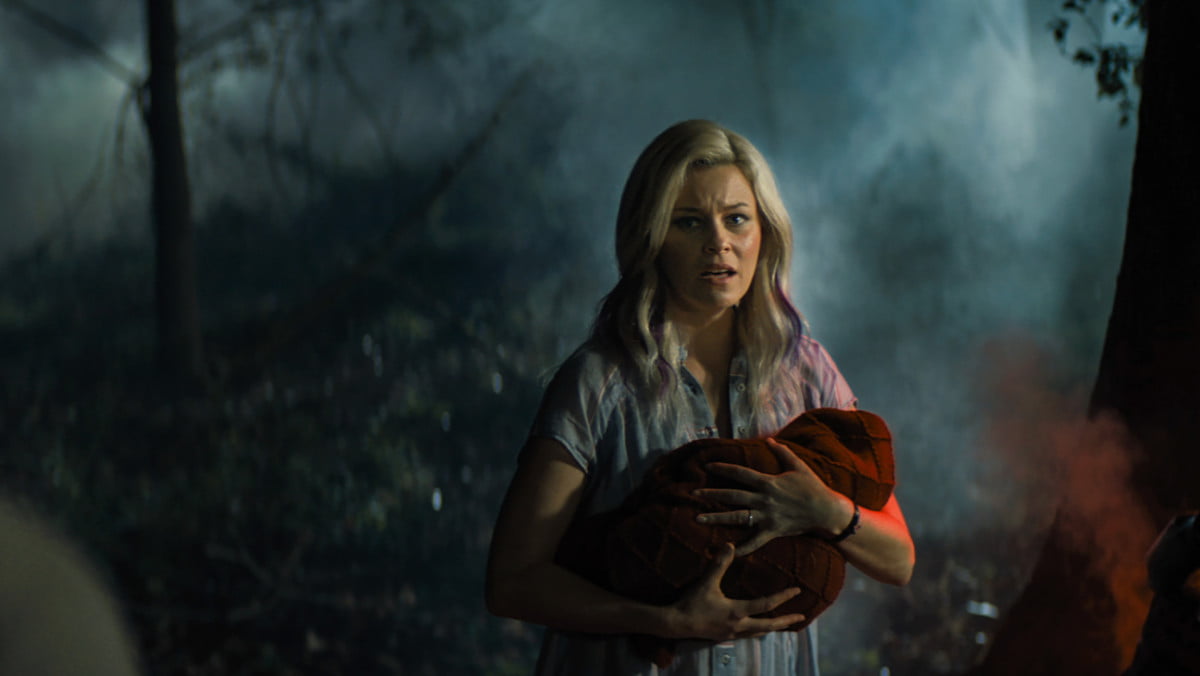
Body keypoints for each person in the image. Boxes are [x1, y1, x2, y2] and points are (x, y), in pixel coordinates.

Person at [486, 119, 914, 675]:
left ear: (765, 232)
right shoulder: (598, 382)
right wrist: (664, 621)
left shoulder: (808, 371)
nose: (719, 242)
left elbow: (899, 559)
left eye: (736, 218)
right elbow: (512, 582)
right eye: (688, 222)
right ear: (650, 237)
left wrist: (825, 510)